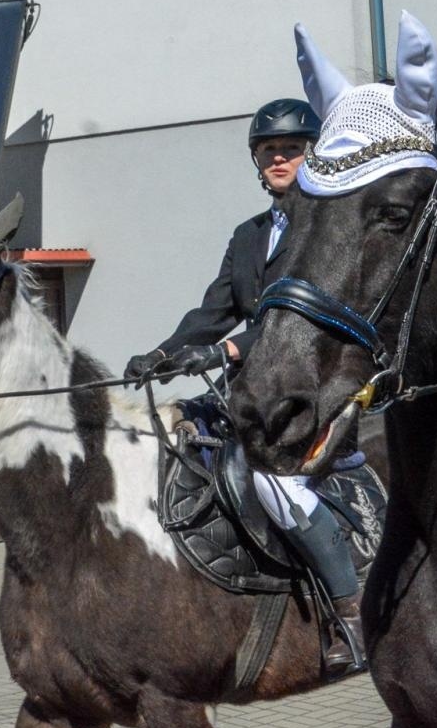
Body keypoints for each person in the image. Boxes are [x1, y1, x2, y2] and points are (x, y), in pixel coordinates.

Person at [122, 99, 365, 676]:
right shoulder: (249, 235)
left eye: (291, 149)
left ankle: (351, 616)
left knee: (274, 484)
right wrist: (163, 353)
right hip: (251, 391)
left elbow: (300, 323)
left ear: (312, 155)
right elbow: (217, 310)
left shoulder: (330, 227)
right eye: (269, 151)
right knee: (179, 447)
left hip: (314, 390)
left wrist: (230, 350)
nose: (279, 158)